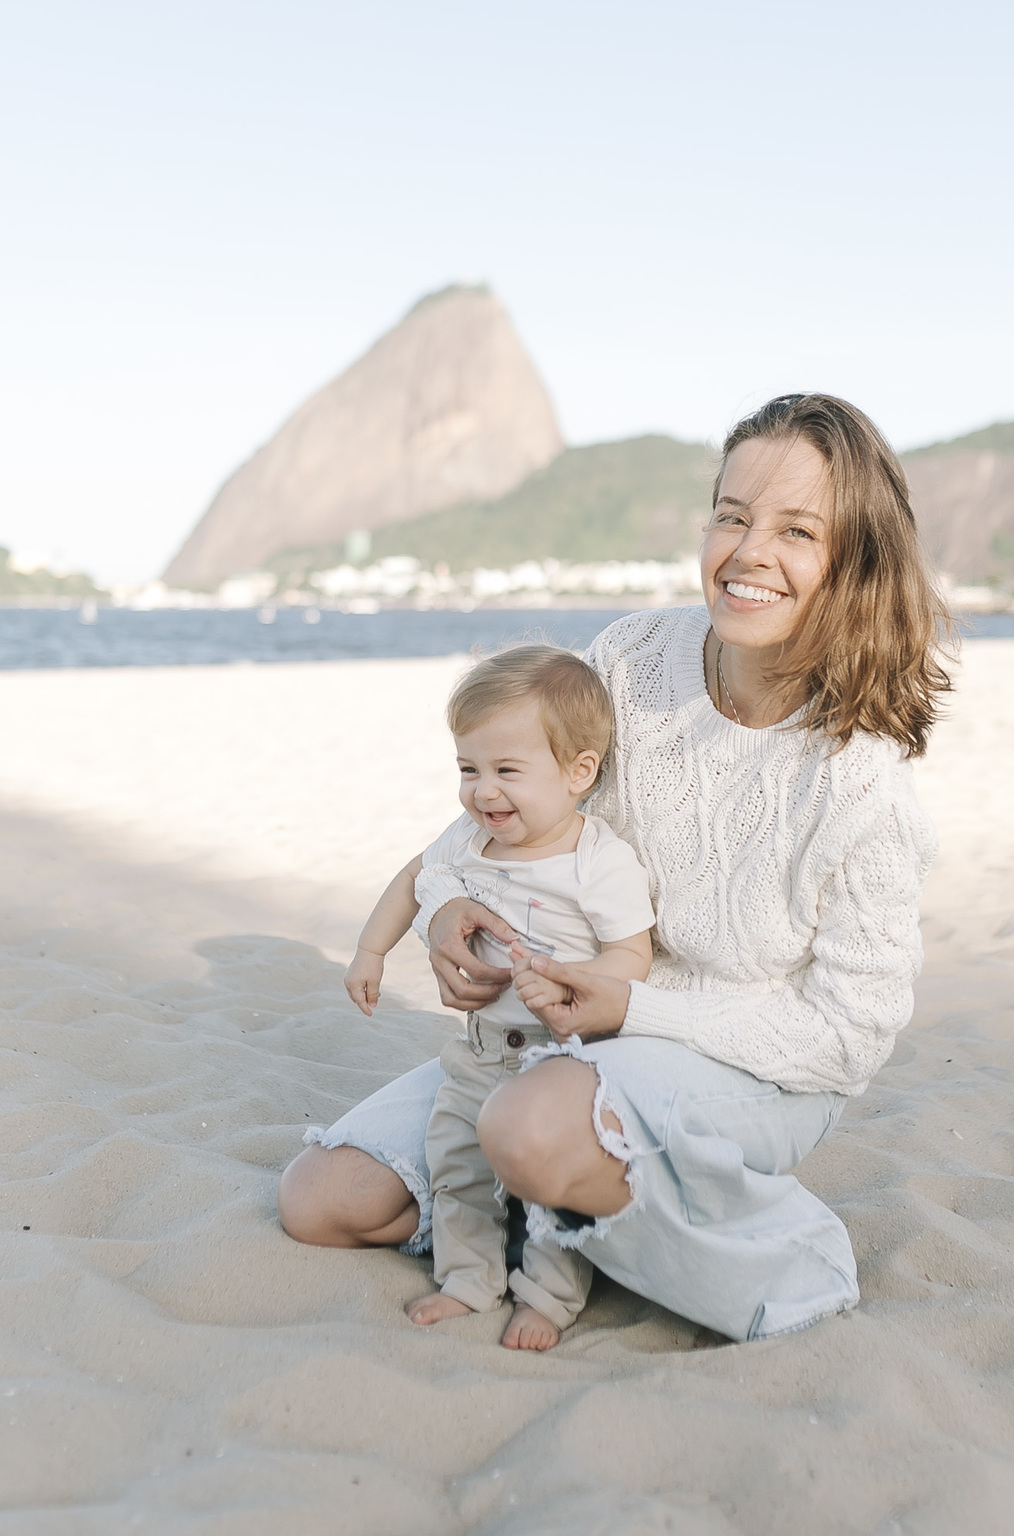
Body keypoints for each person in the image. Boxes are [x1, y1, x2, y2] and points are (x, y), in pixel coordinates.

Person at [278, 392, 949, 1344]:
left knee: (527, 1129)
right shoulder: (634, 656)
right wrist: (444, 910)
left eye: (798, 531)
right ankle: (565, 1194)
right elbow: (521, 796)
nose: (748, 552)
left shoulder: (864, 786)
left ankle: (785, 1255)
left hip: (749, 1065)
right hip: (564, 1029)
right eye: (731, 516)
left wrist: (632, 1009)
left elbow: (844, 1042)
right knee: (325, 1199)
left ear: (857, 562)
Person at [339, 645, 654, 1350]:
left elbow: (633, 955)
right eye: (468, 770)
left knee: (551, 1187)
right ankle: (468, 1281)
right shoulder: (468, 839)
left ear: (578, 772)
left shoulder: (597, 862)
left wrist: (574, 982)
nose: (484, 792)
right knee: (458, 1167)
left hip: (565, 1057)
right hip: (480, 1052)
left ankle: (549, 1296)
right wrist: (370, 951)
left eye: (507, 771)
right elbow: (413, 878)